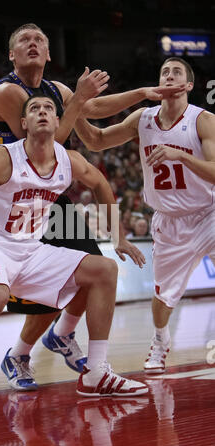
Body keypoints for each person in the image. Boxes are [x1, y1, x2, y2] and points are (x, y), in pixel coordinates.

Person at [0, 95, 148, 420]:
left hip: (29, 249)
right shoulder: (0, 158)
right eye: (34, 109)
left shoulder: (70, 161)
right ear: (23, 124)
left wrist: (118, 236)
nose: (42, 112)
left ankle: (95, 372)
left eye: (49, 109)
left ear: (58, 123)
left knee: (103, 270)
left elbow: (100, 184)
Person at [0, 23, 183, 390]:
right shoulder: (7, 92)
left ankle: (62, 336)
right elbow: (45, 143)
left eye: (40, 40)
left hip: (48, 198)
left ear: (49, 53)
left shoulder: (55, 90)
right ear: (11, 54)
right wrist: (77, 101)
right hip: (9, 206)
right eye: (24, 41)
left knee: (93, 272)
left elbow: (92, 107)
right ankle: (17, 355)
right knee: (40, 294)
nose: (33, 44)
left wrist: (142, 93)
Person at [74, 56, 215, 374]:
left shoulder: (203, 120)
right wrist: (74, 116)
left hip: (209, 212)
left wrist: (182, 155)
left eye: (176, 71)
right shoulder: (143, 119)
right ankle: (162, 340)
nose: (168, 75)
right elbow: (96, 141)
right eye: (164, 71)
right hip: (170, 220)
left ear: (188, 85)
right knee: (163, 298)